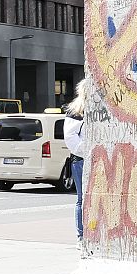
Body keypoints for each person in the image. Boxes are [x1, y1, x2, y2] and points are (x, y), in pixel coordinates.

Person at [63, 79, 88, 247]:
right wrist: (86, 151)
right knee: (81, 198)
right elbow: (70, 138)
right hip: (81, 160)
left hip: (91, 158)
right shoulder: (76, 111)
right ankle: (81, 236)